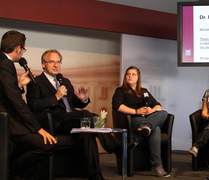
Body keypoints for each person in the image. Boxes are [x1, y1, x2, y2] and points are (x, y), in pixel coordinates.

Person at [26, 49, 137, 180]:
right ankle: (115, 146)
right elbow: (33, 105)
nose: (56, 65)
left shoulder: (64, 81)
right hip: (55, 121)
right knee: (87, 115)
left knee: (88, 132)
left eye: (58, 62)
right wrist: (55, 97)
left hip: (72, 119)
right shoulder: (36, 82)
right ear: (43, 64)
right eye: (52, 62)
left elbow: (74, 103)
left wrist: (83, 99)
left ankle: (95, 174)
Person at [0, 30, 57, 180]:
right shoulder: (6, 64)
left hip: (8, 118)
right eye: (23, 49)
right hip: (7, 122)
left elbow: (6, 93)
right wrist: (38, 128)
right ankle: (10, 171)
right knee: (47, 145)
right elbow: (16, 102)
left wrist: (19, 85)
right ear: (18, 49)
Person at [112, 66, 170, 178]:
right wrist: (136, 111)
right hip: (134, 118)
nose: (130, 76)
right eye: (128, 74)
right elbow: (117, 106)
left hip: (147, 117)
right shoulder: (120, 91)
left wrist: (151, 110)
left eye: (133, 74)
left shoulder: (144, 91)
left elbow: (158, 105)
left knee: (163, 113)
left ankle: (147, 126)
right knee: (156, 129)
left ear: (138, 77)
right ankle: (157, 166)